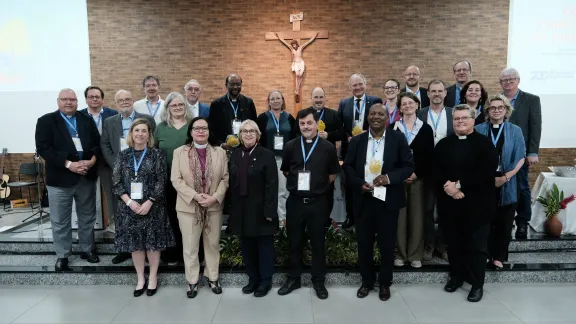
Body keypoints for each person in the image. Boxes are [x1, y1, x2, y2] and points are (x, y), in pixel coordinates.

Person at [343, 103, 413, 301]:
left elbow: (408, 166)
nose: (376, 117)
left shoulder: (398, 138)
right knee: (364, 244)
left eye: (380, 114)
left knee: (387, 245)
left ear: (387, 118)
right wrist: (359, 184)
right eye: (372, 113)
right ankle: (366, 282)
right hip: (363, 199)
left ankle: (384, 283)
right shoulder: (357, 141)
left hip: (387, 199)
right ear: (367, 118)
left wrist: (388, 178)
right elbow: (347, 167)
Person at [434, 104, 498, 302]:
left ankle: (477, 284)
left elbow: (487, 172)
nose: (460, 122)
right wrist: (448, 187)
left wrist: (459, 185)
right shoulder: (443, 144)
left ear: (473, 120)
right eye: (457, 119)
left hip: (477, 206)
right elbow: (436, 170)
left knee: (477, 247)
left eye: (464, 118)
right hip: (450, 205)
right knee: (454, 244)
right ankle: (456, 277)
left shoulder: (485, 144)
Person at [278, 107, 341, 300]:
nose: (306, 126)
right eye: (302, 123)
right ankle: (294, 278)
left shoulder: (328, 147)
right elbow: (287, 170)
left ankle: (318, 280)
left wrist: (316, 186)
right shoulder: (290, 146)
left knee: (318, 243)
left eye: (309, 123)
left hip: (318, 203)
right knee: (294, 241)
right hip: (296, 202)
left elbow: (332, 174)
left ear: (316, 124)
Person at [35, 88, 101, 270]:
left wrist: (92, 160)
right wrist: (68, 164)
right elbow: (44, 148)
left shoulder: (86, 120)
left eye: (72, 99)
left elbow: (97, 144)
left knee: (87, 216)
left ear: (77, 101)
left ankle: (87, 249)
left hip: (85, 176)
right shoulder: (46, 121)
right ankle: (63, 255)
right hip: (60, 178)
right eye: (65, 99)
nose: (69, 102)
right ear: (58, 101)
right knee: (60, 220)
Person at [112, 118, 174, 297]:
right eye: (136, 130)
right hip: (129, 208)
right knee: (136, 244)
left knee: (153, 244)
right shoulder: (123, 155)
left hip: (153, 207)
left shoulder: (157, 155)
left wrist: (150, 202)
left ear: (149, 135)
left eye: (144, 131)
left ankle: (153, 277)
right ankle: (140, 278)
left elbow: (161, 181)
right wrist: (130, 202)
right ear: (131, 134)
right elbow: (116, 183)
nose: (140, 134)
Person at [171, 117, 229, 298]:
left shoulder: (220, 152)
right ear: (190, 132)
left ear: (209, 131)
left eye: (204, 128)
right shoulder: (179, 152)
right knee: (190, 245)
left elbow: (225, 178)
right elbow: (176, 179)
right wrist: (195, 196)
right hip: (188, 207)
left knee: (212, 244)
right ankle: (192, 280)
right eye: (197, 128)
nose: (201, 131)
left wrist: (214, 198)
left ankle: (213, 277)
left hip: (213, 205)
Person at [101, 90, 155, 264]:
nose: (124, 102)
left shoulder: (146, 118)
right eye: (120, 100)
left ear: (133, 101)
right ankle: (125, 249)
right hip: (119, 173)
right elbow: (105, 145)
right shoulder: (109, 122)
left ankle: (145, 248)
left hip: (144, 172)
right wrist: (118, 166)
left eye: (127, 99)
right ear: (116, 103)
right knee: (121, 212)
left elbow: (154, 142)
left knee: (144, 209)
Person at [228, 120, 279, 297]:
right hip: (241, 210)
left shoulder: (267, 155)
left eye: (252, 131)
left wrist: (269, 211)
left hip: (261, 210)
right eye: (244, 131)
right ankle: (253, 279)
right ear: (240, 135)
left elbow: (272, 186)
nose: (248, 134)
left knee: (263, 247)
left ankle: (265, 281)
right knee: (247, 246)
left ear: (258, 135)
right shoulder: (235, 154)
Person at [475, 94, 525, 269]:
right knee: (485, 220)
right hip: (484, 182)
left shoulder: (515, 130)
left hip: (507, 181)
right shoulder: (479, 129)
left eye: (500, 107)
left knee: (504, 221)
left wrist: (506, 177)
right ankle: (486, 254)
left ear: (506, 110)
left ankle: (499, 256)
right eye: (493, 108)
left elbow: (520, 158)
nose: (496, 110)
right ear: (488, 111)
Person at [393, 93, 434, 268]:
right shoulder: (393, 128)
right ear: (400, 108)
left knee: (417, 217)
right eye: (404, 104)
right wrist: (400, 173)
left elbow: (429, 156)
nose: (407, 106)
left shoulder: (425, 129)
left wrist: (417, 173)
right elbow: (390, 156)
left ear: (417, 105)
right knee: (399, 217)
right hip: (399, 179)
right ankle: (400, 254)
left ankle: (415, 254)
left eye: (411, 102)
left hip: (418, 178)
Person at [500, 68, 542, 239]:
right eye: (504, 80)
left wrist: (532, 151)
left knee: (522, 188)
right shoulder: (497, 99)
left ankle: (523, 223)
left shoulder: (531, 99)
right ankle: (504, 221)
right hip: (500, 152)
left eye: (511, 79)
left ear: (518, 80)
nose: (508, 82)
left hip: (521, 153)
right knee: (502, 187)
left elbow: (535, 126)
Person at [338, 73, 383, 228]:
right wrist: (347, 137)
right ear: (350, 87)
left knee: (370, 181)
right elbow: (340, 126)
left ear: (365, 84)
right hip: (350, 150)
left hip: (370, 148)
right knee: (351, 184)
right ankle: (352, 217)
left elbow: (380, 121)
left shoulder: (375, 101)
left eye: (360, 84)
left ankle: (372, 218)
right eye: (354, 85)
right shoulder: (344, 103)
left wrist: (367, 132)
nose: (357, 87)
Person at [155, 92, 194, 265]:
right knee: (170, 216)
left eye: (181, 105)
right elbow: (154, 152)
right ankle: (172, 252)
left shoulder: (192, 126)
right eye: (174, 105)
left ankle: (190, 252)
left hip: (190, 181)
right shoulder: (161, 127)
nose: (177, 108)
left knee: (189, 217)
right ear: (167, 108)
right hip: (167, 181)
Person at [417, 79, 453, 261]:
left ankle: (444, 245)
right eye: (433, 91)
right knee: (428, 209)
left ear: (445, 93)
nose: (437, 94)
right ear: (428, 94)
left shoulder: (453, 114)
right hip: (428, 170)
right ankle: (429, 244)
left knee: (446, 209)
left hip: (448, 170)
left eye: (440, 91)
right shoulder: (420, 114)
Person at [297, 87, 344, 221]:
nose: (318, 100)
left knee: (327, 188)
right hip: (307, 158)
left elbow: (341, 133)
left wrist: (328, 134)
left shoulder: (333, 114)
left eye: (321, 97)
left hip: (327, 158)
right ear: (311, 98)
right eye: (316, 97)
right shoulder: (303, 114)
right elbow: (296, 134)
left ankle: (326, 221)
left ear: (325, 98)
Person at [80, 86, 118, 234]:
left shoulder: (112, 114)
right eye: (91, 96)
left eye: (97, 96)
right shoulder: (80, 115)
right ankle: (88, 228)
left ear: (102, 99)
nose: (94, 99)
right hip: (86, 161)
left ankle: (113, 223)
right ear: (86, 99)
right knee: (86, 195)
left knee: (111, 194)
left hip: (107, 161)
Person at [256, 90, 296, 221]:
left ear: (283, 100)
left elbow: (295, 138)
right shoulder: (262, 118)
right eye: (272, 99)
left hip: (285, 160)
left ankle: (282, 220)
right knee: (270, 189)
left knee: (283, 190)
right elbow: (258, 139)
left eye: (278, 98)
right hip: (268, 159)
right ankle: (270, 218)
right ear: (268, 102)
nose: (275, 101)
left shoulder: (289, 117)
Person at [208, 74, 258, 148]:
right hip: (225, 148)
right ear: (226, 85)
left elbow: (255, 125)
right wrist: (221, 144)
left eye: (238, 84)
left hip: (245, 147)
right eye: (232, 84)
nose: (235, 87)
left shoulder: (248, 102)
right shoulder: (216, 104)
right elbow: (212, 128)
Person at [274, 32, 318, 102]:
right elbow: (284, 42)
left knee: (300, 76)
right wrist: (279, 37)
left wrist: (314, 36)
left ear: (296, 44)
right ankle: (296, 90)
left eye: (294, 44)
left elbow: (308, 42)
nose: (294, 46)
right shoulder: (291, 49)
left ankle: (297, 91)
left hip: (301, 63)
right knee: (297, 75)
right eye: (292, 45)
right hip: (296, 64)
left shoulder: (301, 47)